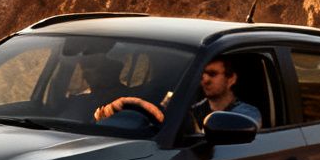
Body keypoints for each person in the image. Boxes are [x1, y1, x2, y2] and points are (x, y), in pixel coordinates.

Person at [95, 55, 261, 130]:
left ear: (231, 79)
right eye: (202, 74)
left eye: (212, 74)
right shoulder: (192, 111)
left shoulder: (246, 114)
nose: (205, 80)